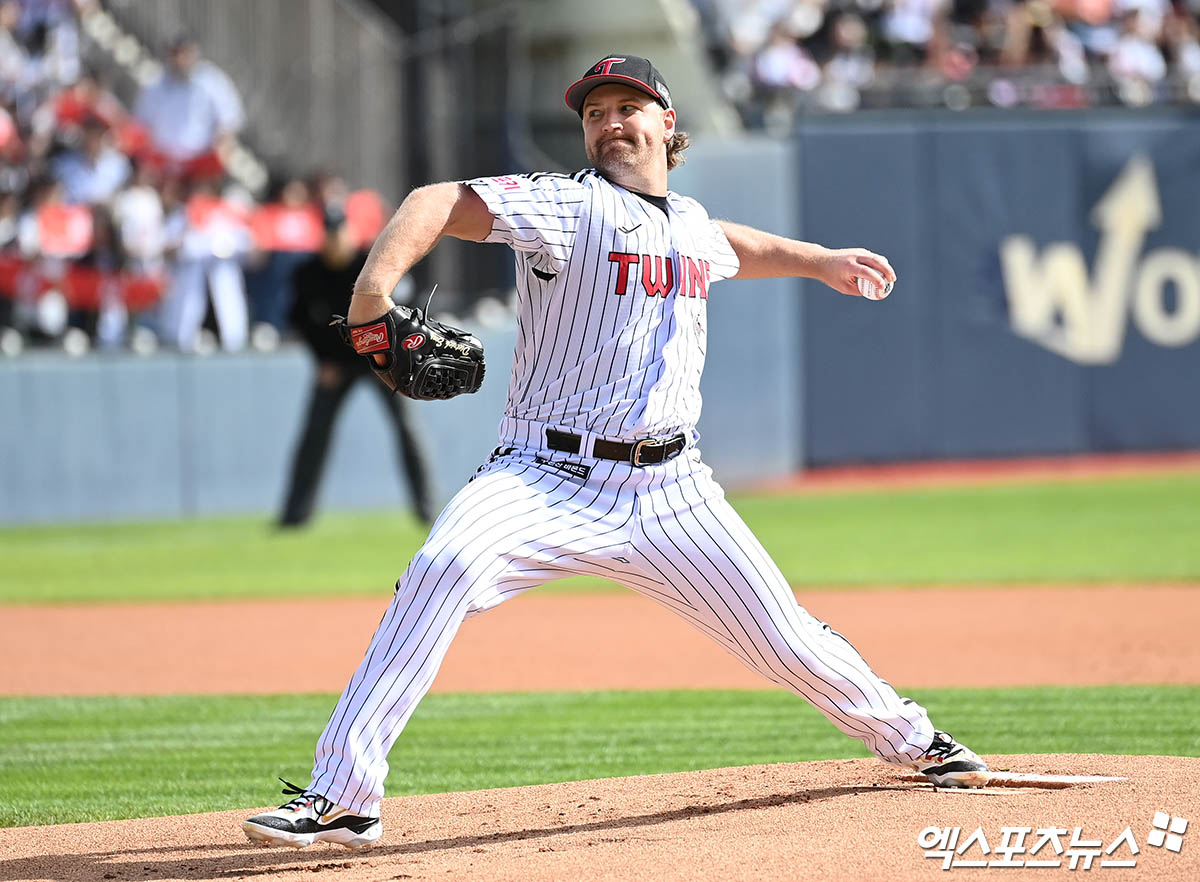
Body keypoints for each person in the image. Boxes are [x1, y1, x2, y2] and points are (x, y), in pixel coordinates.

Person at [243, 53, 990, 850]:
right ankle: (344, 793)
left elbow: (728, 245)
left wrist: (818, 261)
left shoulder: (693, 223)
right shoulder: (565, 207)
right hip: (542, 474)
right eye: (595, 112)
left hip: (674, 491)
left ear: (668, 124)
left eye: (627, 107)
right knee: (441, 569)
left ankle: (914, 740)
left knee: (785, 637)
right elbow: (433, 202)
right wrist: (370, 296)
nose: (609, 123)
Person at [277, 203, 434, 528]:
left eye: (339, 232)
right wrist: (322, 362)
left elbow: (404, 307)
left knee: (407, 431)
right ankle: (294, 517)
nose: (334, 240)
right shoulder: (309, 274)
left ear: (349, 232)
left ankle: (427, 510)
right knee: (314, 435)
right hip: (335, 366)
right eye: (329, 234)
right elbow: (300, 321)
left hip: (381, 364)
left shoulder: (369, 264)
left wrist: (390, 362)